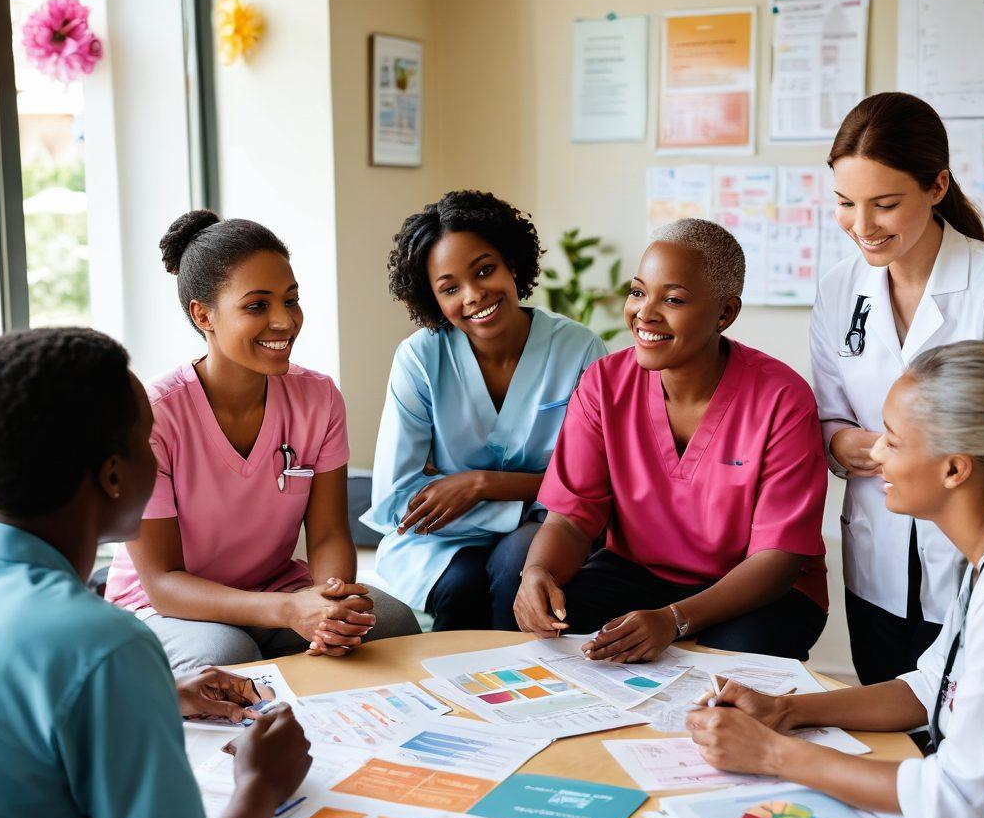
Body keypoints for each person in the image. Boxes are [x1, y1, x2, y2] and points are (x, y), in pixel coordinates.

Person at [0, 327, 312, 818]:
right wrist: (260, 785)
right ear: (112, 473)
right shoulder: (104, 643)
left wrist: (161, 695)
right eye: (148, 442)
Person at [686, 341, 984, 818]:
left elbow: (964, 799)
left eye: (891, 438)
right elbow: (929, 685)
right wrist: (788, 711)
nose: (873, 453)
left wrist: (772, 755)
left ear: (954, 469)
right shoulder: (983, 561)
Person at [105, 210, 420, 672]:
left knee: (390, 621)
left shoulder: (319, 398)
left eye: (291, 300)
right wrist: (289, 611)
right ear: (203, 315)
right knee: (226, 656)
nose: (284, 322)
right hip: (170, 605)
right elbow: (162, 581)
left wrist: (330, 605)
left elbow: (330, 532)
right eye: (257, 306)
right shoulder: (153, 415)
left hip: (272, 588)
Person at [514, 218, 828, 661]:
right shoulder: (604, 383)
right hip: (637, 574)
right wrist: (536, 573)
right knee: (559, 634)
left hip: (754, 587)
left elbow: (778, 559)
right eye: (638, 291)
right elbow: (570, 517)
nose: (644, 313)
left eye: (674, 299)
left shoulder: (782, 399)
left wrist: (674, 618)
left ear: (725, 313)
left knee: (724, 669)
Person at [810, 91, 984, 684]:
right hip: (877, 550)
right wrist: (845, 446)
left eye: (885, 205)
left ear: (937, 187)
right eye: (845, 203)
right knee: (884, 720)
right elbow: (827, 417)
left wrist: (910, 449)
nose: (861, 227)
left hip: (969, 551)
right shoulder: (841, 289)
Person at [361, 190, 606, 630]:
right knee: (463, 583)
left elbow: (592, 482)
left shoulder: (578, 348)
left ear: (512, 262)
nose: (473, 295)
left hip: (546, 527)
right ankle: (455, 694)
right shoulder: (419, 358)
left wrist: (477, 484)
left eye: (485, 270)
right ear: (431, 299)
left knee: (518, 564)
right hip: (442, 543)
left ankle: (527, 689)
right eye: (450, 288)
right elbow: (398, 498)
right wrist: (532, 490)